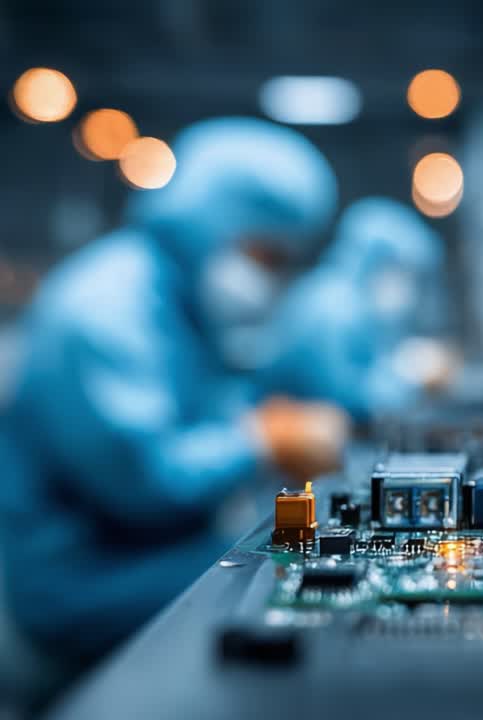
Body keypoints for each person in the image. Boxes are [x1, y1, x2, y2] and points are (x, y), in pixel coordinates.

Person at [0, 117, 348, 676]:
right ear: (209, 220)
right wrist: (259, 439)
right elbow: (144, 488)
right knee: (297, 577)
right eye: (265, 254)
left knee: (301, 548)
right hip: (80, 586)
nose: (274, 278)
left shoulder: (174, 301)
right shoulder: (105, 310)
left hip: (142, 555)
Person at [260, 196, 452, 421]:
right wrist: (407, 376)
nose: (406, 286)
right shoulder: (332, 310)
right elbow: (341, 403)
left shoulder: (354, 307)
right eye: (401, 271)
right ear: (375, 261)